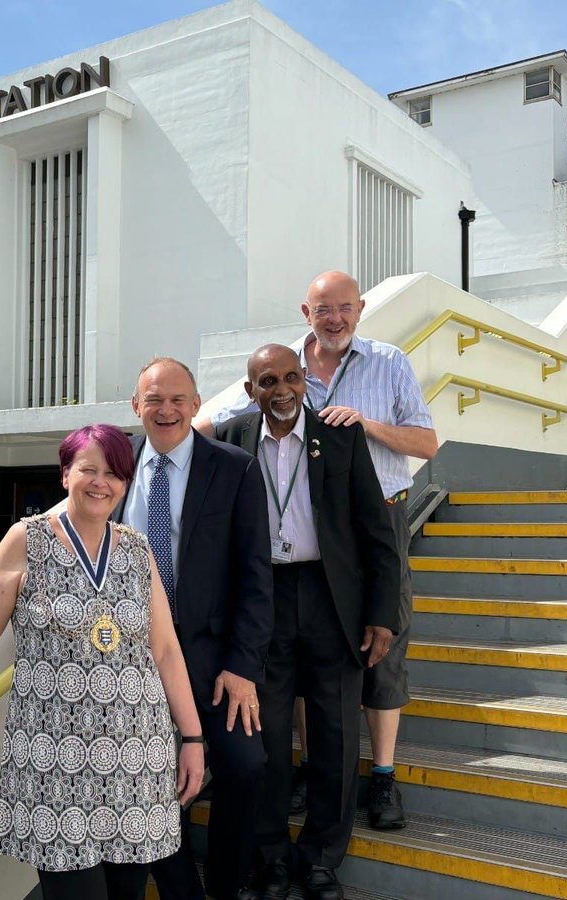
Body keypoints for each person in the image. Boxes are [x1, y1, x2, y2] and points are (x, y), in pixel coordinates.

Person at [0, 425, 206, 900]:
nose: (101, 482)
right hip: (54, 768)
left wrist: (193, 738)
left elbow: (163, 650)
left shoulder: (138, 550)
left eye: (114, 473)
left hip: (138, 763)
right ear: (65, 475)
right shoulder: (28, 540)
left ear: (124, 483)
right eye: (89, 469)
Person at [198, 270, 437, 831]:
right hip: (305, 541)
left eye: (345, 308)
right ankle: (310, 769)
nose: (335, 318)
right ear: (307, 312)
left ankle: (382, 775)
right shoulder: (283, 365)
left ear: (360, 309)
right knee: (302, 669)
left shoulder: (389, 363)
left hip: (376, 518)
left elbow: (426, 442)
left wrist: (363, 426)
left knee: (381, 651)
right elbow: (214, 423)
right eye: (324, 309)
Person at [214, 344, 400, 900]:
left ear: (305, 383)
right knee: (265, 736)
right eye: (267, 381)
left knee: (336, 736)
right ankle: (270, 859)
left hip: (329, 598)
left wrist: (381, 616)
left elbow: (378, 533)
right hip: (260, 600)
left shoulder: (340, 436)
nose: (282, 389)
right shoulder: (232, 439)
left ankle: (320, 859)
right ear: (251, 391)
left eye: (291, 377)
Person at [112, 358, 274, 900]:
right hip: (134, 666)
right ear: (136, 406)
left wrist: (243, 666)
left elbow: (256, 578)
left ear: (197, 404)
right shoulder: (114, 472)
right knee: (158, 785)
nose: (167, 410)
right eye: (154, 399)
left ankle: (226, 888)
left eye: (178, 399)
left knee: (246, 767)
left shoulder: (234, 469)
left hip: (214, 664)